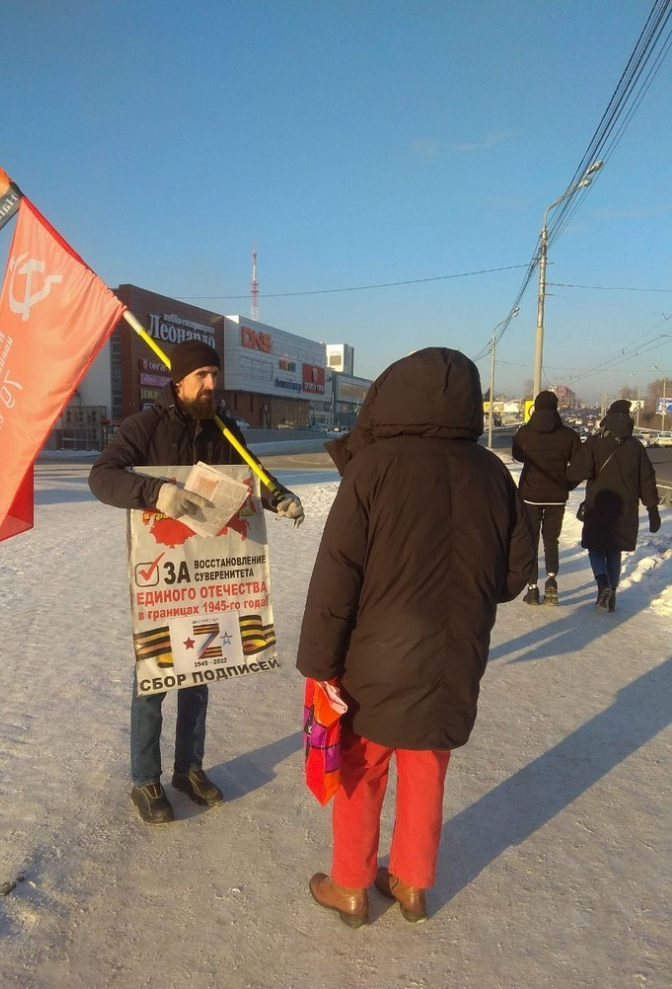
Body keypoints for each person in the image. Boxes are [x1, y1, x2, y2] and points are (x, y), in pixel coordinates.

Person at [296, 347, 535, 927]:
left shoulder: (374, 468)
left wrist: (319, 661)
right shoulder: (491, 472)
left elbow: (338, 573)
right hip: (455, 654)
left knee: (363, 767)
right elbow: (513, 575)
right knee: (427, 766)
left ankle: (351, 886)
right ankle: (411, 882)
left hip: (376, 656)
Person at [89, 338, 304, 824]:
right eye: (202, 376)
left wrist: (279, 496)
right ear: (179, 380)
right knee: (154, 678)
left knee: (201, 673)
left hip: (210, 575)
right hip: (164, 576)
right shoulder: (143, 427)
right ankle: (145, 779)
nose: (212, 384)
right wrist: (157, 492)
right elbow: (102, 477)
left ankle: (189, 768)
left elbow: (254, 477)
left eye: (215, 374)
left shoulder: (223, 428)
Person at [567, 404, 660, 612]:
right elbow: (646, 478)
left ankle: (602, 585)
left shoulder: (594, 443)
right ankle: (613, 595)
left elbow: (576, 472)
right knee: (614, 552)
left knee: (596, 549)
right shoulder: (636, 447)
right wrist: (652, 509)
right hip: (625, 509)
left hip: (598, 505)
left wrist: (563, 485)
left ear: (608, 416)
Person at [511, 390, 581, 605]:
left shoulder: (525, 432)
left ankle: (532, 588)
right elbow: (580, 464)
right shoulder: (569, 435)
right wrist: (567, 484)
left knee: (531, 540)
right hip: (557, 497)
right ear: (556, 408)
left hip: (530, 495)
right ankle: (551, 581)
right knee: (551, 540)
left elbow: (517, 455)